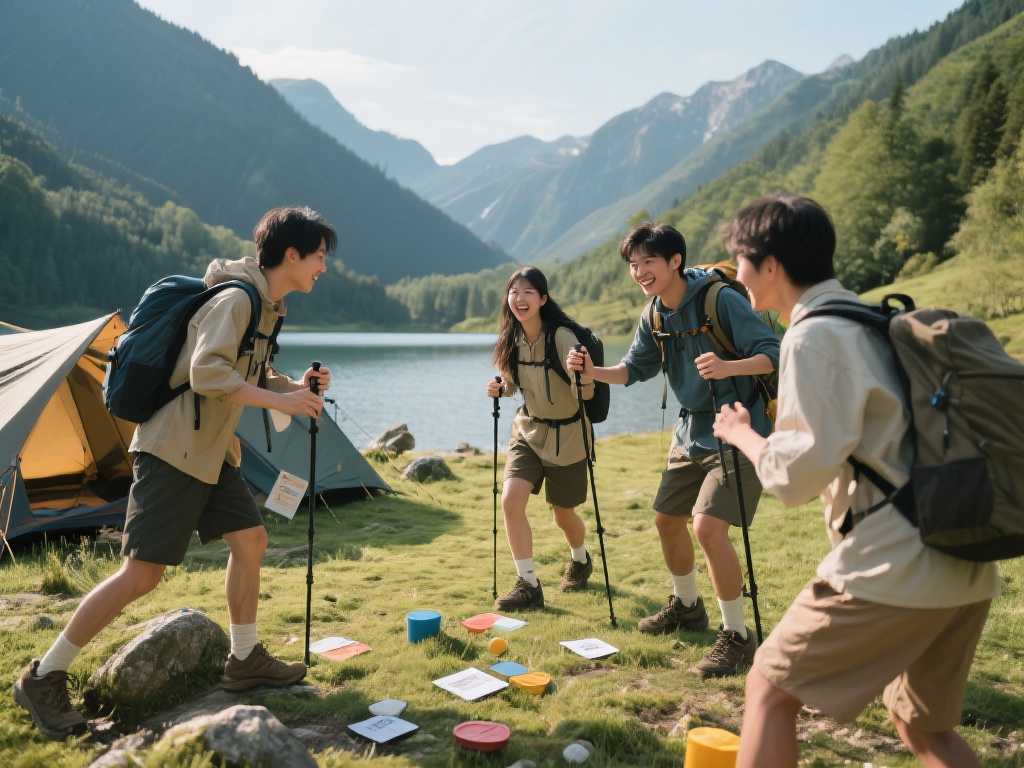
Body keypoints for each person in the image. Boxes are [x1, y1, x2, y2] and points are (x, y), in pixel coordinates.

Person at [13, 206, 338, 739]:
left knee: (251, 540)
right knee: (142, 575)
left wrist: (292, 387)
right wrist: (286, 402)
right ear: (292, 255)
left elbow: (247, 372)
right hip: (174, 451)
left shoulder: (265, 305)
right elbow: (208, 374)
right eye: (320, 256)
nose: (323, 267)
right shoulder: (236, 299)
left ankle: (243, 658)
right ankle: (44, 677)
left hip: (213, 454)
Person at [712, 192, 1000, 768]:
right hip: (965, 561)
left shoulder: (813, 335)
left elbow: (795, 476)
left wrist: (743, 434)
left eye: (739, 259)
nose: (734, 273)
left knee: (767, 691)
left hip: (895, 564)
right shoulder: (872, 319)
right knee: (922, 726)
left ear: (770, 264)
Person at [566, 222, 779, 677]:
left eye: (648, 262)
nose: (639, 271)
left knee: (707, 528)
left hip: (737, 426)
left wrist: (726, 366)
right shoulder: (655, 314)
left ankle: (738, 636)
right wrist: (591, 371)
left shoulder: (721, 300)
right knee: (666, 520)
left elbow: (773, 353)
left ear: (675, 261)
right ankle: (687, 608)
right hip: (690, 432)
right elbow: (632, 370)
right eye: (633, 264)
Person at [485, 266, 596, 611]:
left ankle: (580, 559)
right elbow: (514, 383)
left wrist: (582, 374)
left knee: (563, 516)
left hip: (569, 437)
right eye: (514, 292)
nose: (519, 299)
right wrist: (501, 389)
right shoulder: (510, 339)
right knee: (510, 501)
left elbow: (588, 393)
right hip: (529, 433)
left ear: (543, 299)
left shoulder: (561, 337)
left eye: (528, 292)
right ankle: (528, 584)